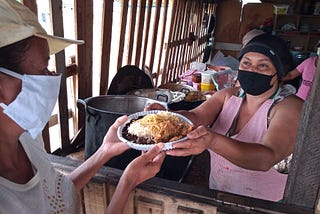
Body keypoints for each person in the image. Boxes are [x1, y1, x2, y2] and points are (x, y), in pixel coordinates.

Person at [0, 0, 165, 213]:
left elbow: (56, 198)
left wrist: (105, 151)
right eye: (43, 70)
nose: (53, 78)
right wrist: (127, 183)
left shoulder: (26, 137)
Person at [147, 34, 303, 202]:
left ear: (279, 73)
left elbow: (265, 158)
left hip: (263, 203)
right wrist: (167, 117)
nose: (251, 70)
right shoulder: (228, 96)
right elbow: (196, 116)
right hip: (220, 191)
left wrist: (212, 141)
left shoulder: (289, 107)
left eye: (263, 65)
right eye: (246, 63)